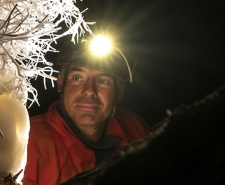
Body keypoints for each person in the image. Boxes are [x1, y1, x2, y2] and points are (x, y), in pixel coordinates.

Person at [22, 36, 151, 185]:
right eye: (77, 78)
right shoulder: (28, 145)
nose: (89, 91)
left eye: (103, 81)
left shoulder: (134, 128)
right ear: (61, 84)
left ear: (119, 93)